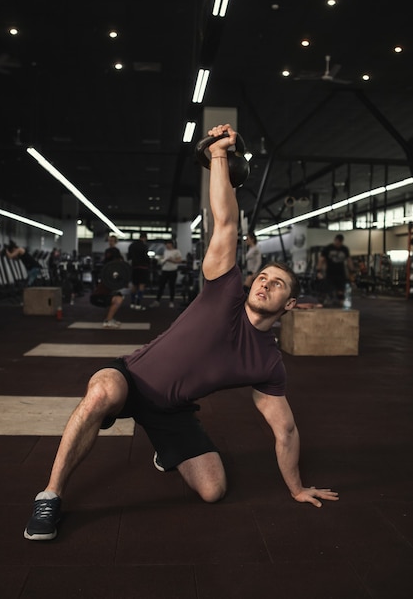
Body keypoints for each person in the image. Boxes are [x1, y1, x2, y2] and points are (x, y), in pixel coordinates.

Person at [24, 123, 338, 542]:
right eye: (262, 277)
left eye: (277, 284)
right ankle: (50, 495)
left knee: (213, 491)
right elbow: (225, 221)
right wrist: (220, 155)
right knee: (100, 394)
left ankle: (165, 447)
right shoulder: (223, 292)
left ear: (290, 305)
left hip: (171, 411)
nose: (264, 283)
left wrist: (296, 488)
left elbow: (286, 431)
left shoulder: (267, 363)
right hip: (129, 378)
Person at [90, 235, 125, 328]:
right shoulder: (108, 279)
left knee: (119, 297)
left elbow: (120, 263)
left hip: (103, 295)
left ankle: (110, 317)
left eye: (113, 240)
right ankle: (108, 320)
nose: (111, 242)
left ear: (115, 241)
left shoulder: (115, 251)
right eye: (109, 240)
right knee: (119, 299)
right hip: (97, 298)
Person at [316, 234, 354, 305]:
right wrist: (318, 271)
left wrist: (352, 271)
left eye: (339, 242)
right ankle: (328, 300)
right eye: (337, 241)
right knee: (329, 288)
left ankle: (341, 302)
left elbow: (349, 260)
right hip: (330, 272)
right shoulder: (328, 248)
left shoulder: (344, 249)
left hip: (341, 273)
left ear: (341, 242)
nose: (338, 243)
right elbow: (321, 260)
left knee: (341, 289)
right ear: (335, 240)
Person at [150, 240, 183, 308]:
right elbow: (162, 259)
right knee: (161, 286)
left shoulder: (176, 251)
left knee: (172, 286)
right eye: (166, 244)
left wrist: (171, 260)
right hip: (165, 270)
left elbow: (179, 260)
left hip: (173, 271)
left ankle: (171, 301)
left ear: (172, 244)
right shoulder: (165, 251)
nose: (167, 245)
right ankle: (157, 301)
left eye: (169, 244)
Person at [127, 232, 149, 310]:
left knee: (134, 285)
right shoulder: (144, 246)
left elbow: (129, 257)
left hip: (134, 267)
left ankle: (132, 302)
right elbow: (146, 257)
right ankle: (138, 304)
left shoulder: (132, 245)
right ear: (145, 238)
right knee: (141, 285)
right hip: (143, 267)